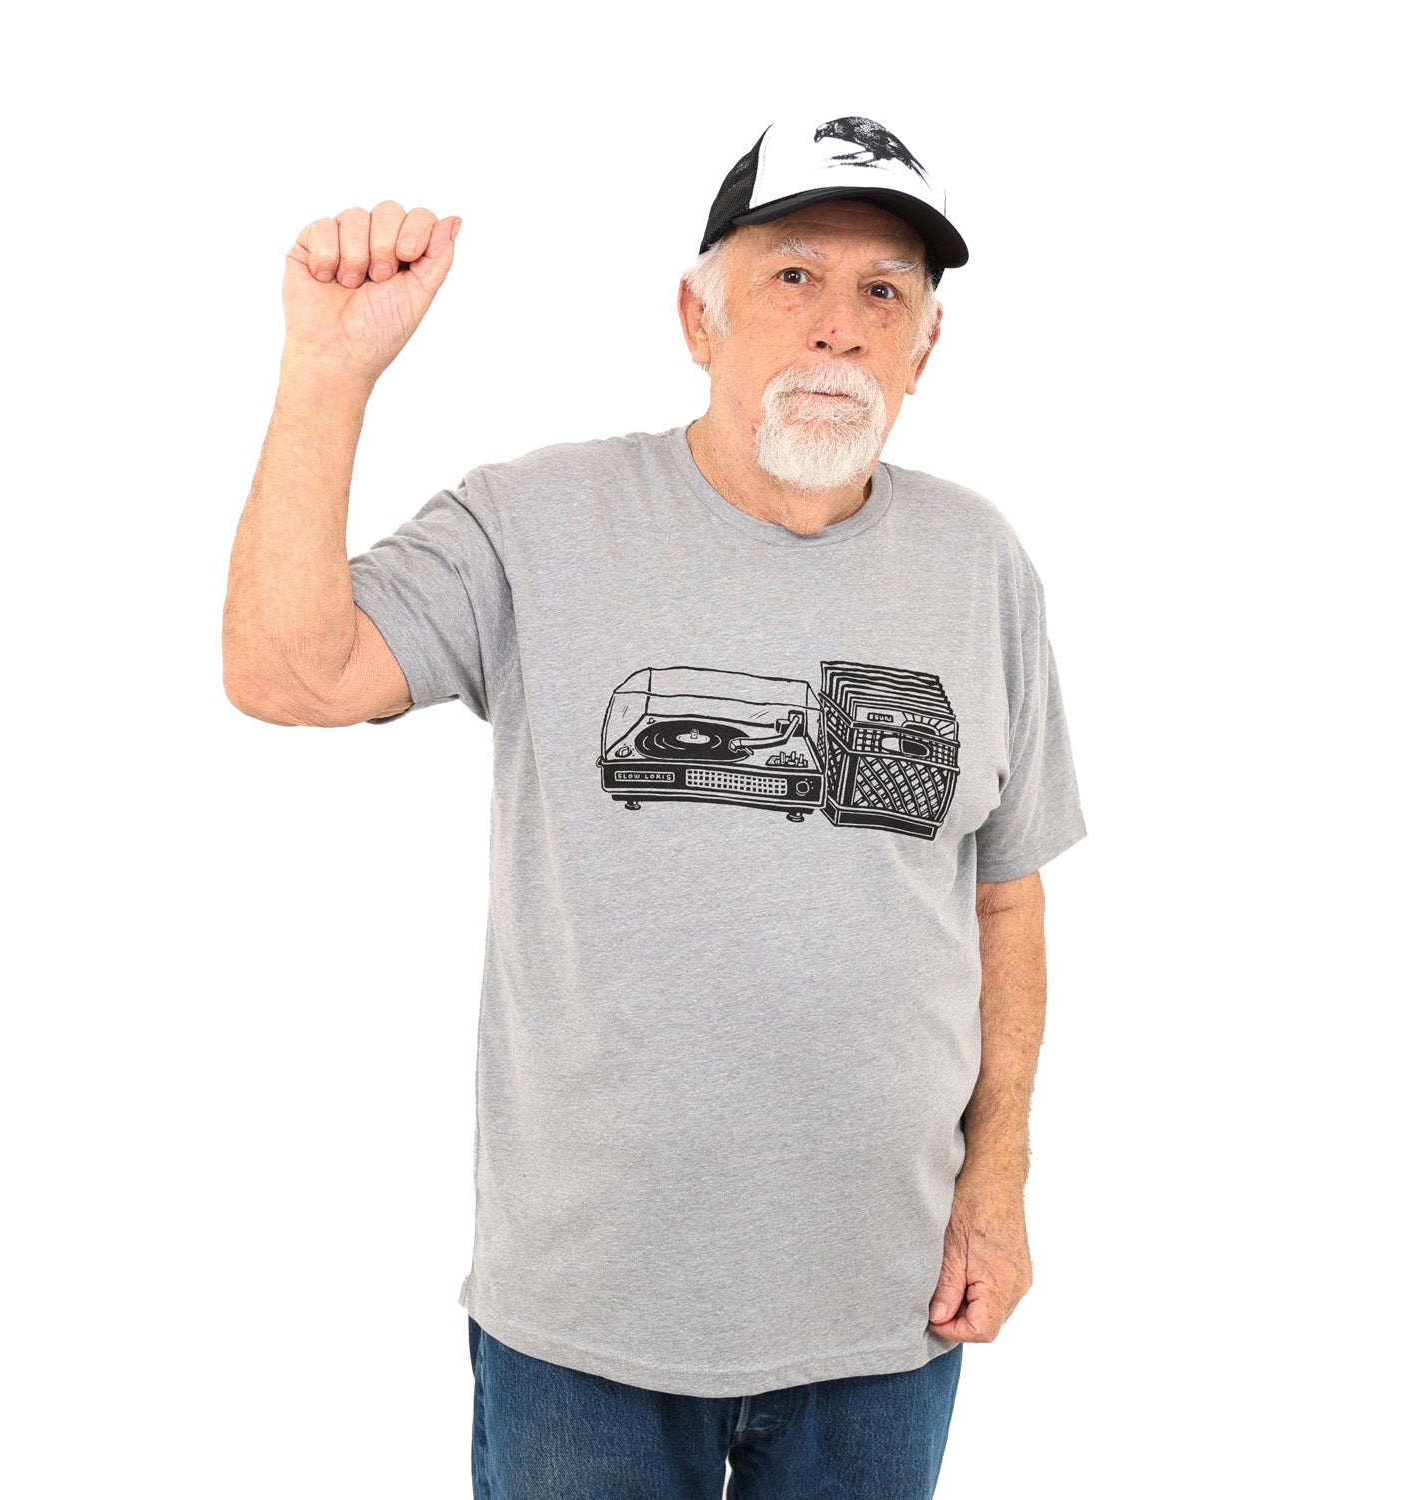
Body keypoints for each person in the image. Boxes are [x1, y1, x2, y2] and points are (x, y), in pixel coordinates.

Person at [223, 114, 1087, 1499]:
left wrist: (998, 1190)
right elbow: (286, 671)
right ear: (698, 315)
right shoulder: (534, 522)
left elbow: (1005, 887)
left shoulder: (979, 560)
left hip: (886, 1313)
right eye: (793, 277)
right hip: (586, 1325)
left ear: (927, 349)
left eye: (885, 293)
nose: (839, 329)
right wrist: (328, 375)